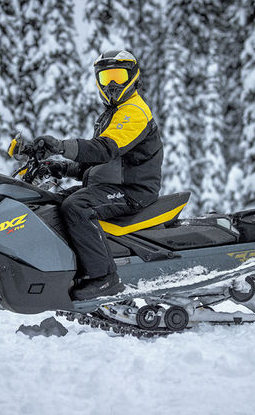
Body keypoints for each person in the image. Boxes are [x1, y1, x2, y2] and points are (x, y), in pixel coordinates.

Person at [29, 50, 163, 300]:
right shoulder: (113, 114)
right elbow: (98, 163)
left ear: (132, 77)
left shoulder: (134, 111)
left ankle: (104, 277)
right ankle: (70, 268)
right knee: (52, 203)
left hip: (133, 191)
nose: (112, 84)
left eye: (118, 76)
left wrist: (61, 146)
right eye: (106, 78)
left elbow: (105, 149)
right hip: (113, 185)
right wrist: (60, 167)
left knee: (77, 206)